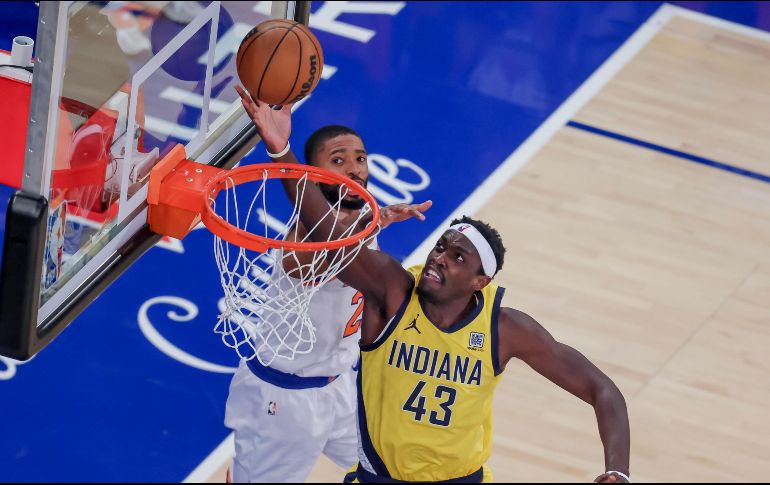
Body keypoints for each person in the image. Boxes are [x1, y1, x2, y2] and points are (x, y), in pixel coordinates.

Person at [236, 85, 632, 484]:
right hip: (286, 392)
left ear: (481, 282)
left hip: (339, 387)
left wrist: (617, 470)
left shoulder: (504, 328)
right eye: (440, 247)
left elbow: (601, 388)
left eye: (457, 257)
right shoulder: (386, 284)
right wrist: (280, 151)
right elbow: (326, 235)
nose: (439, 257)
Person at [224, 100, 432, 483]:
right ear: (314, 175)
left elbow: (350, 243)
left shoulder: (361, 219)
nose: (355, 168)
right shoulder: (305, 235)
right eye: (338, 160)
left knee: (397, 468)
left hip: (339, 388)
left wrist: (377, 221)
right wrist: (280, 150)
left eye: (360, 158)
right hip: (284, 400)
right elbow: (327, 253)